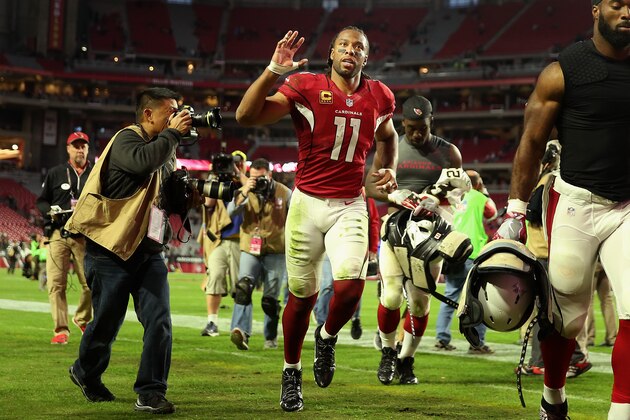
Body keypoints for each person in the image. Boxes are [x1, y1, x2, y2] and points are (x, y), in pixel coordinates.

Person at [235, 27, 398, 412]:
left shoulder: (380, 95)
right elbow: (245, 116)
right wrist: (274, 69)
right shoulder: (307, 85)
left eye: (359, 46)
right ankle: (291, 372)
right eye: (343, 44)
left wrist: (386, 168)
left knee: (349, 288)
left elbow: (388, 136)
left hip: (350, 203)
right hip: (306, 204)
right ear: (331, 52)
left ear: (366, 57)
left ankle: (326, 338)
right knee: (302, 297)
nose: (350, 50)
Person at [493, 2, 630, 418]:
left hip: (626, 207)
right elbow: (532, 143)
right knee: (567, 320)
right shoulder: (563, 70)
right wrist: (515, 211)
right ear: (596, 9)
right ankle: (553, 399)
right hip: (575, 204)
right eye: (617, 3)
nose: (627, 11)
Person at [65, 87, 194, 414]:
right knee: (107, 322)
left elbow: (163, 198)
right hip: (110, 248)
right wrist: (174, 136)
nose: (177, 117)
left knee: (160, 321)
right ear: (148, 114)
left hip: (148, 251)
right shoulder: (127, 139)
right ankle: (85, 372)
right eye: (171, 111)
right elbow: (142, 165)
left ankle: (150, 391)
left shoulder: (167, 151)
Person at [365, 95, 467, 386]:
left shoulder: (449, 152)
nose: (416, 133)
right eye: (410, 127)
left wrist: (441, 199)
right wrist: (393, 195)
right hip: (395, 229)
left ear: (430, 121)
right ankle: (387, 351)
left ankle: (406, 359)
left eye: (421, 127)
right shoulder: (392, 146)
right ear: (403, 123)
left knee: (420, 304)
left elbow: (458, 190)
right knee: (391, 295)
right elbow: (370, 185)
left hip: (430, 235)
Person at [36, 131, 93, 345]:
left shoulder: (96, 174)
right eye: (75, 146)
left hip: (84, 235)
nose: (80, 149)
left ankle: (82, 317)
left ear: (88, 149)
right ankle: (61, 329)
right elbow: (41, 201)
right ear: (68, 149)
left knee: (90, 283)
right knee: (56, 284)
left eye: (83, 146)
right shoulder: (56, 173)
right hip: (58, 233)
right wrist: (50, 210)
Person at [228, 158, 291, 351]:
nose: (256, 180)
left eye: (261, 177)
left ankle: (270, 337)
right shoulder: (245, 191)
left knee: (270, 299)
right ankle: (240, 331)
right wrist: (245, 191)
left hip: (276, 250)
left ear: (269, 175)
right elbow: (230, 212)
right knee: (243, 289)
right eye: (253, 176)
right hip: (250, 247)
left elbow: (296, 218)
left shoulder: (284, 192)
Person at [434, 170, 497, 354]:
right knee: (478, 299)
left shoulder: (451, 196)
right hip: (472, 252)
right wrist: (483, 191)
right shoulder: (479, 197)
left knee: (450, 296)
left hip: (452, 252)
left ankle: (442, 338)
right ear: (478, 183)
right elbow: (492, 213)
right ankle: (477, 343)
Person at [313, 193, 381, 339]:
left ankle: (355, 318)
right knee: (326, 286)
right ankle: (322, 325)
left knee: (353, 284)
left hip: (354, 245)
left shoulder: (366, 198)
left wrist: (373, 249)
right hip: (327, 245)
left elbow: (373, 222)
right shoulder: (325, 193)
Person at [199, 151, 248, 337]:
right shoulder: (217, 182)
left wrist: (239, 175)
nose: (234, 166)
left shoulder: (247, 183)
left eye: (237, 163)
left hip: (239, 239)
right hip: (218, 239)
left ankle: (238, 325)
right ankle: (212, 322)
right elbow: (209, 203)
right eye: (231, 163)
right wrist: (214, 176)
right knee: (215, 277)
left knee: (239, 285)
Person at [586, 261, 617, 347]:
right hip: (605, 262)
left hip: (592, 262)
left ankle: (589, 337)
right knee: (607, 299)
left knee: (588, 300)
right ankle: (612, 338)